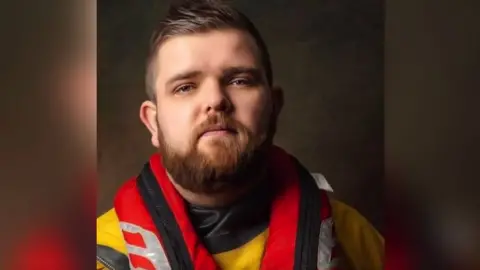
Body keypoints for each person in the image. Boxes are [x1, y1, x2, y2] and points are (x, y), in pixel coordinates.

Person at [96, 1, 384, 269]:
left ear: (274, 107)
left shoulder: (355, 239)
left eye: (239, 80)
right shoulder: (95, 252)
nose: (216, 100)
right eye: (185, 87)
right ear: (153, 123)